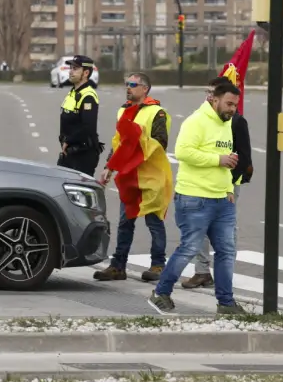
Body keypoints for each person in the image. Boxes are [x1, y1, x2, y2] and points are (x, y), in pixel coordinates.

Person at [149, 78, 246, 315]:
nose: (232, 109)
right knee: (189, 248)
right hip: (195, 198)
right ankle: (161, 292)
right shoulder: (196, 121)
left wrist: (227, 190)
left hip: (222, 200)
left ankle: (226, 302)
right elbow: (183, 152)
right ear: (214, 99)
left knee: (226, 251)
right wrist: (218, 160)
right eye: (229, 104)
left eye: (235, 105)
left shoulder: (226, 123)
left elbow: (224, 158)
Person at [95, 72, 172, 283]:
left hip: (151, 176)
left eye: (132, 84)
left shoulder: (158, 112)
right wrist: (109, 167)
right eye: (126, 84)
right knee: (124, 222)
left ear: (144, 88)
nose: (127, 88)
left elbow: (160, 144)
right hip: (129, 177)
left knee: (154, 222)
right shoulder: (123, 110)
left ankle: (158, 265)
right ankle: (118, 266)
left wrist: (137, 139)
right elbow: (118, 142)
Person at [183, 76, 254, 288]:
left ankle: (225, 272)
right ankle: (202, 271)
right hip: (204, 183)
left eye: (213, 93)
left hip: (228, 184)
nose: (210, 97)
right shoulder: (203, 120)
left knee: (225, 230)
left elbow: (244, 158)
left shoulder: (237, 122)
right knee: (200, 227)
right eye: (209, 92)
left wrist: (228, 184)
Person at [57, 55, 103, 175]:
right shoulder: (73, 92)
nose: (71, 71)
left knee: (81, 192)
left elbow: (88, 127)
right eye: (71, 67)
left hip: (82, 155)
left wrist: (68, 141)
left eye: (75, 68)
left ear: (86, 72)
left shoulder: (88, 96)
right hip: (69, 153)